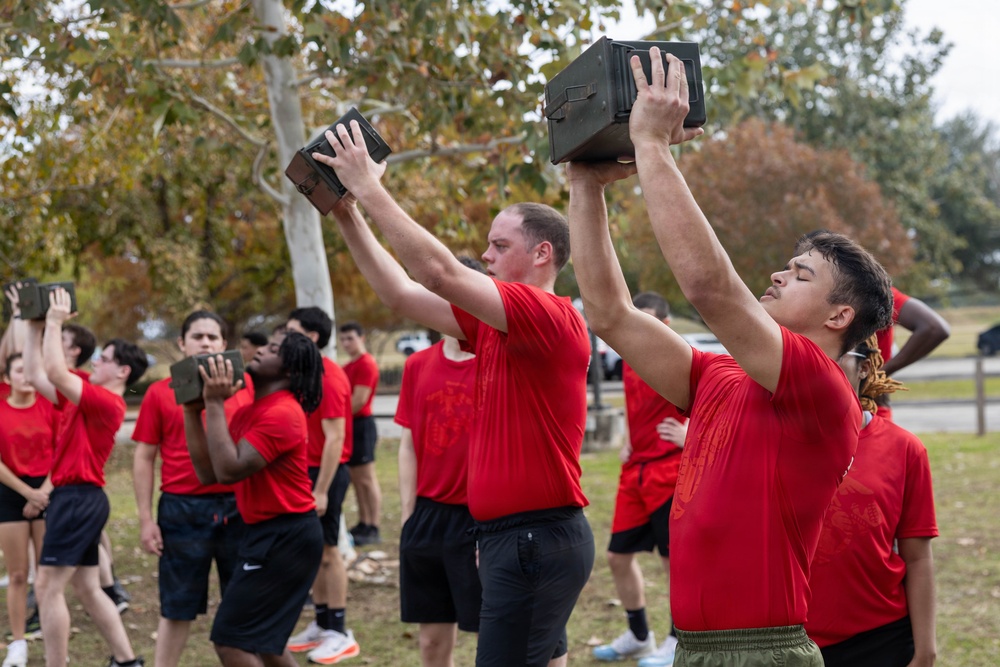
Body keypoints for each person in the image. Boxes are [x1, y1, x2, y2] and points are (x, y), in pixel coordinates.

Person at [566, 48, 893, 666]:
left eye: (799, 274)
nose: (776, 274)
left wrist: (654, 147)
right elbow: (610, 314)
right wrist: (586, 184)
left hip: (762, 653)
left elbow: (709, 289)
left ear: (838, 316)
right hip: (696, 649)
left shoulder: (821, 388)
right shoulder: (718, 376)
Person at [315, 135, 594, 667]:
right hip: (515, 536)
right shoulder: (498, 324)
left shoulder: (545, 314)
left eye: (499, 246)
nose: (485, 256)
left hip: (533, 537)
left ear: (542, 254)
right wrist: (348, 213)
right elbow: (400, 293)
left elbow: (437, 272)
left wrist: (369, 187)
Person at [21, 287, 148, 667]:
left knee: (46, 587)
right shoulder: (86, 394)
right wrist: (34, 326)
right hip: (77, 498)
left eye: (104, 359)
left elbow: (57, 370)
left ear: (122, 371)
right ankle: (127, 661)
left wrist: (57, 321)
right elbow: (35, 373)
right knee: (89, 588)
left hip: (78, 498)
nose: (96, 362)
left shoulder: (107, 401)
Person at [183, 331, 323, 667]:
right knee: (266, 644)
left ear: (289, 370)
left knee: (231, 641)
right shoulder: (253, 410)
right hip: (270, 533)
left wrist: (215, 404)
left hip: (286, 537)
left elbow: (230, 470)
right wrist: (193, 411)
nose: (260, 350)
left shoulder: (283, 413)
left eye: (273, 349)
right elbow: (210, 474)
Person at [806, 334, 938, 666]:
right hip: (788, 639)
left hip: (880, 638)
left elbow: (918, 558)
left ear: (864, 368)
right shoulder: (773, 440)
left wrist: (925, 652)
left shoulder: (904, 449)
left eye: (831, 356)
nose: (814, 366)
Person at [131, 310, 246, 667]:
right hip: (181, 509)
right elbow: (144, 457)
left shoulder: (245, 388)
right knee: (177, 607)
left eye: (213, 337)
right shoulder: (158, 392)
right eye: (198, 336)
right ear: (182, 343)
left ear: (224, 344)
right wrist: (146, 520)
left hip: (238, 505)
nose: (206, 343)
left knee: (242, 603)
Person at [395, 257, 484, 667]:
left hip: (485, 519)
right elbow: (409, 443)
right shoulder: (417, 365)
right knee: (431, 644)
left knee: (499, 638)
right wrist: (409, 513)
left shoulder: (498, 362)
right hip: (429, 519)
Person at [592, 292, 686, 666]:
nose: (637, 329)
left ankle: (677, 642)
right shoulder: (630, 356)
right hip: (636, 471)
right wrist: (629, 439)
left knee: (673, 563)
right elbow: (633, 405)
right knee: (617, 556)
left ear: (665, 326)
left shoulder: (679, 356)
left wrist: (691, 431)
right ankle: (639, 636)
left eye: (645, 321)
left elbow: (718, 397)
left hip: (671, 471)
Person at [283, 307, 361, 664]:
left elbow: (335, 438)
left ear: (312, 336)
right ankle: (322, 623)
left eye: (292, 331)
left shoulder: (328, 375)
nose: (285, 338)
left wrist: (322, 490)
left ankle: (340, 632)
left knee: (330, 551)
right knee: (312, 552)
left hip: (324, 474)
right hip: (305, 472)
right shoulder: (303, 372)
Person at [0, 353, 58, 667]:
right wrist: (26, 493)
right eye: (19, 371)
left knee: (47, 576)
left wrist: (43, 493)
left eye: (30, 370)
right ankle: (18, 644)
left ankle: (53, 639)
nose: (26, 376)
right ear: (7, 378)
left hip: (47, 491)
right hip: (10, 492)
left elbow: (62, 451)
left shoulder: (50, 405)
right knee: (19, 574)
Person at [338, 322, 383, 546]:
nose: (346, 343)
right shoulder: (347, 366)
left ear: (361, 338)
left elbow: (359, 400)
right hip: (349, 425)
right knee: (356, 479)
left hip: (361, 425)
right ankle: (364, 522)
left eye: (350, 338)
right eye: (343, 339)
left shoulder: (366, 364)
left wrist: (335, 414)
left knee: (366, 479)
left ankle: (373, 525)